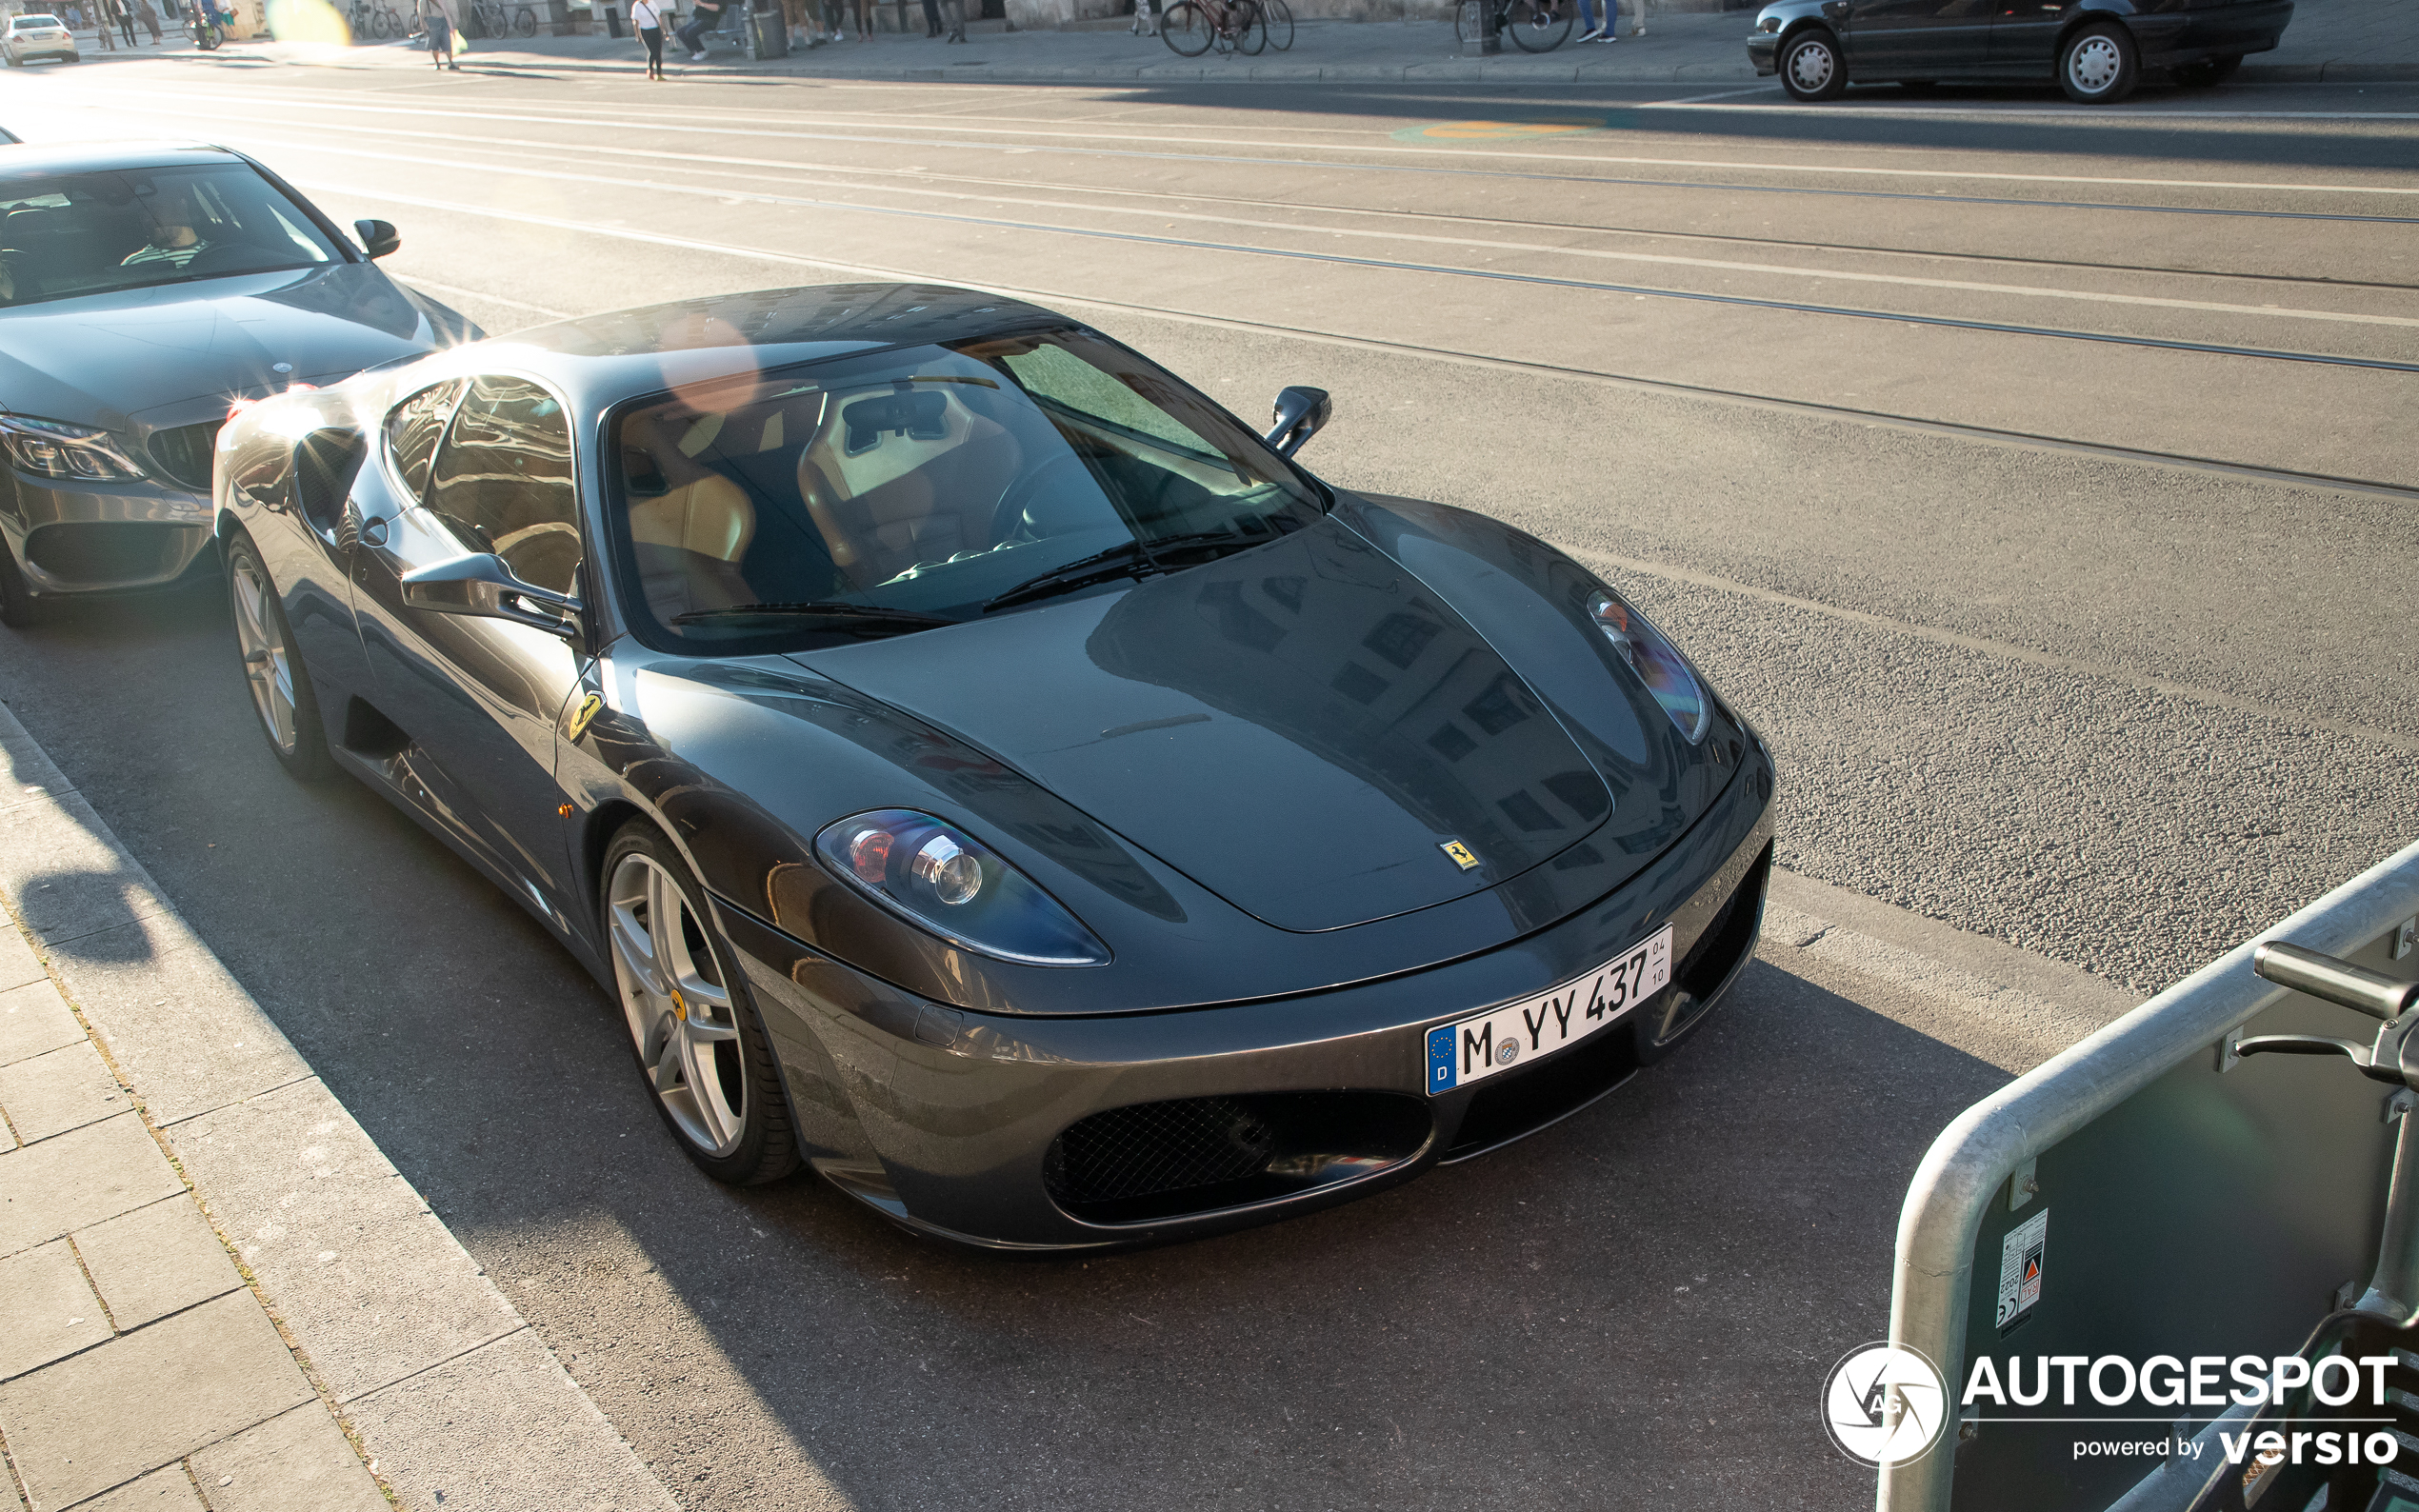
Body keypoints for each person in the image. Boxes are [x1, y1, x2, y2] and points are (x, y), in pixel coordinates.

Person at [630, 0, 664, 74]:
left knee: (658, 52)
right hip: (645, 30)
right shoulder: (637, 5)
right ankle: (651, 69)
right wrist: (637, 35)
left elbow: (658, 15)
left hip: (656, 29)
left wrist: (662, 29)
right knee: (652, 51)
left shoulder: (652, 3)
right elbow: (635, 21)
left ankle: (659, 73)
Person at [420, 0, 457, 67]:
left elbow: (447, 13)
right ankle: (437, 63)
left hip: (444, 22)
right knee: (434, 46)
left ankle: (451, 62)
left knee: (447, 44)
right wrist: (424, 28)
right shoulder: (424, 1)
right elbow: (422, 15)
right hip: (432, 24)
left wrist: (452, 26)